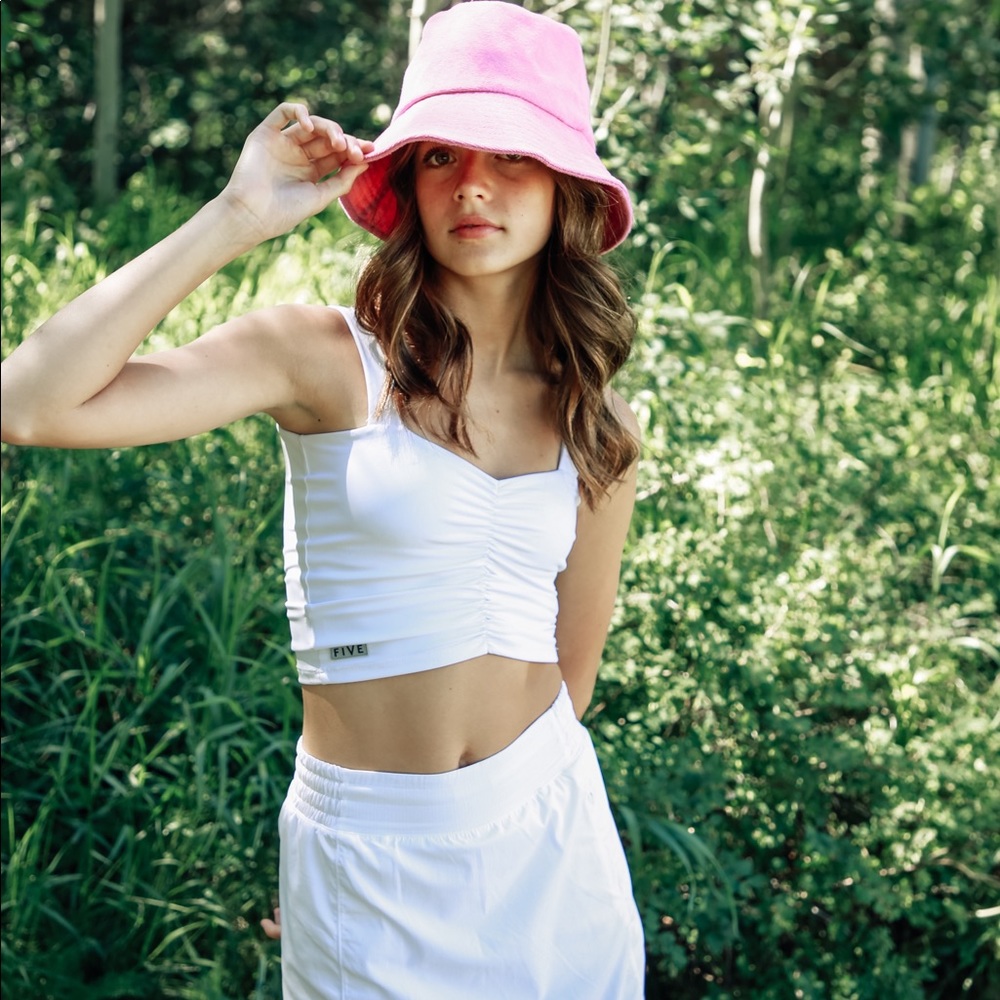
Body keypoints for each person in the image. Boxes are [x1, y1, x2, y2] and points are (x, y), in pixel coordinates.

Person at [1, 1, 646, 995]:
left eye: (510, 154)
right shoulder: (321, 356)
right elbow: (30, 405)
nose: (473, 183)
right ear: (404, 181)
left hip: (552, 841)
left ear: (565, 186)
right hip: (373, 857)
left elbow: (572, 672)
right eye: (439, 156)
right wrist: (240, 213)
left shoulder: (596, 422)